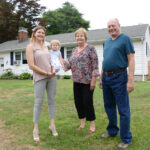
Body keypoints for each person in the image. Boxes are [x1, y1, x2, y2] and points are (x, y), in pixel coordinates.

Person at [99, 18, 135, 149]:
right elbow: (105, 60)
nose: (111, 28)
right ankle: (112, 131)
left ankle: (126, 138)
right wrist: (101, 76)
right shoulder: (107, 41)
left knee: (123, 109)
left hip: (120, 77)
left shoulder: (125, 39)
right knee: (109, 106)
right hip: (106, 78)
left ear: (119, 26)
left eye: (113, 26)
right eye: (109, 27)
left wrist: (130, 80)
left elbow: (131, 60)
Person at [26, 26, 58, 142]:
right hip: (40, 78)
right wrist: (46, 73)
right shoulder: (30, 47)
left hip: (51, 77)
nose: (41, 34)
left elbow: (52, 61)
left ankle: (52, 125)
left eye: (43, 33)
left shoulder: (46, 47)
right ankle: (35, 129)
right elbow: (31, 65)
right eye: (39, 32)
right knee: (38, 103)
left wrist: (53, 70)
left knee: (51, 101)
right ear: (34, 33)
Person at [64, 28, 99, 134]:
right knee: (78, 102)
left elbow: (95, 66)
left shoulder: (90, 48)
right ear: (75, 38)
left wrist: (93, 81)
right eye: (77, 36)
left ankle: (92, 125)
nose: (79, 37)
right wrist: (61, 61)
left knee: (87, 102)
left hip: (87, 81)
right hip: (76, 81)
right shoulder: (74, 50)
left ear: (85, 37)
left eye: (81, 35)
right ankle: (82, 123)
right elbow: (69, 65)